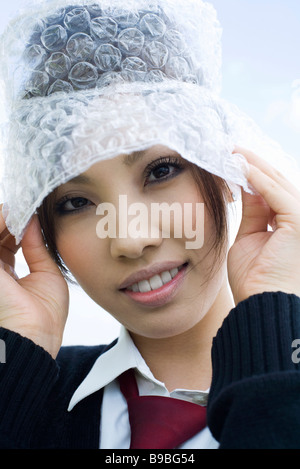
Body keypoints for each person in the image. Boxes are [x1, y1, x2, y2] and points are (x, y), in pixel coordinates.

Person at [0, 0, 300, 449]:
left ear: (222, 167)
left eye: (161, 171)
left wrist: (275, 321)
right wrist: (18, 347)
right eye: (76, 202)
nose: (130, 239)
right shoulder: (25, 400)